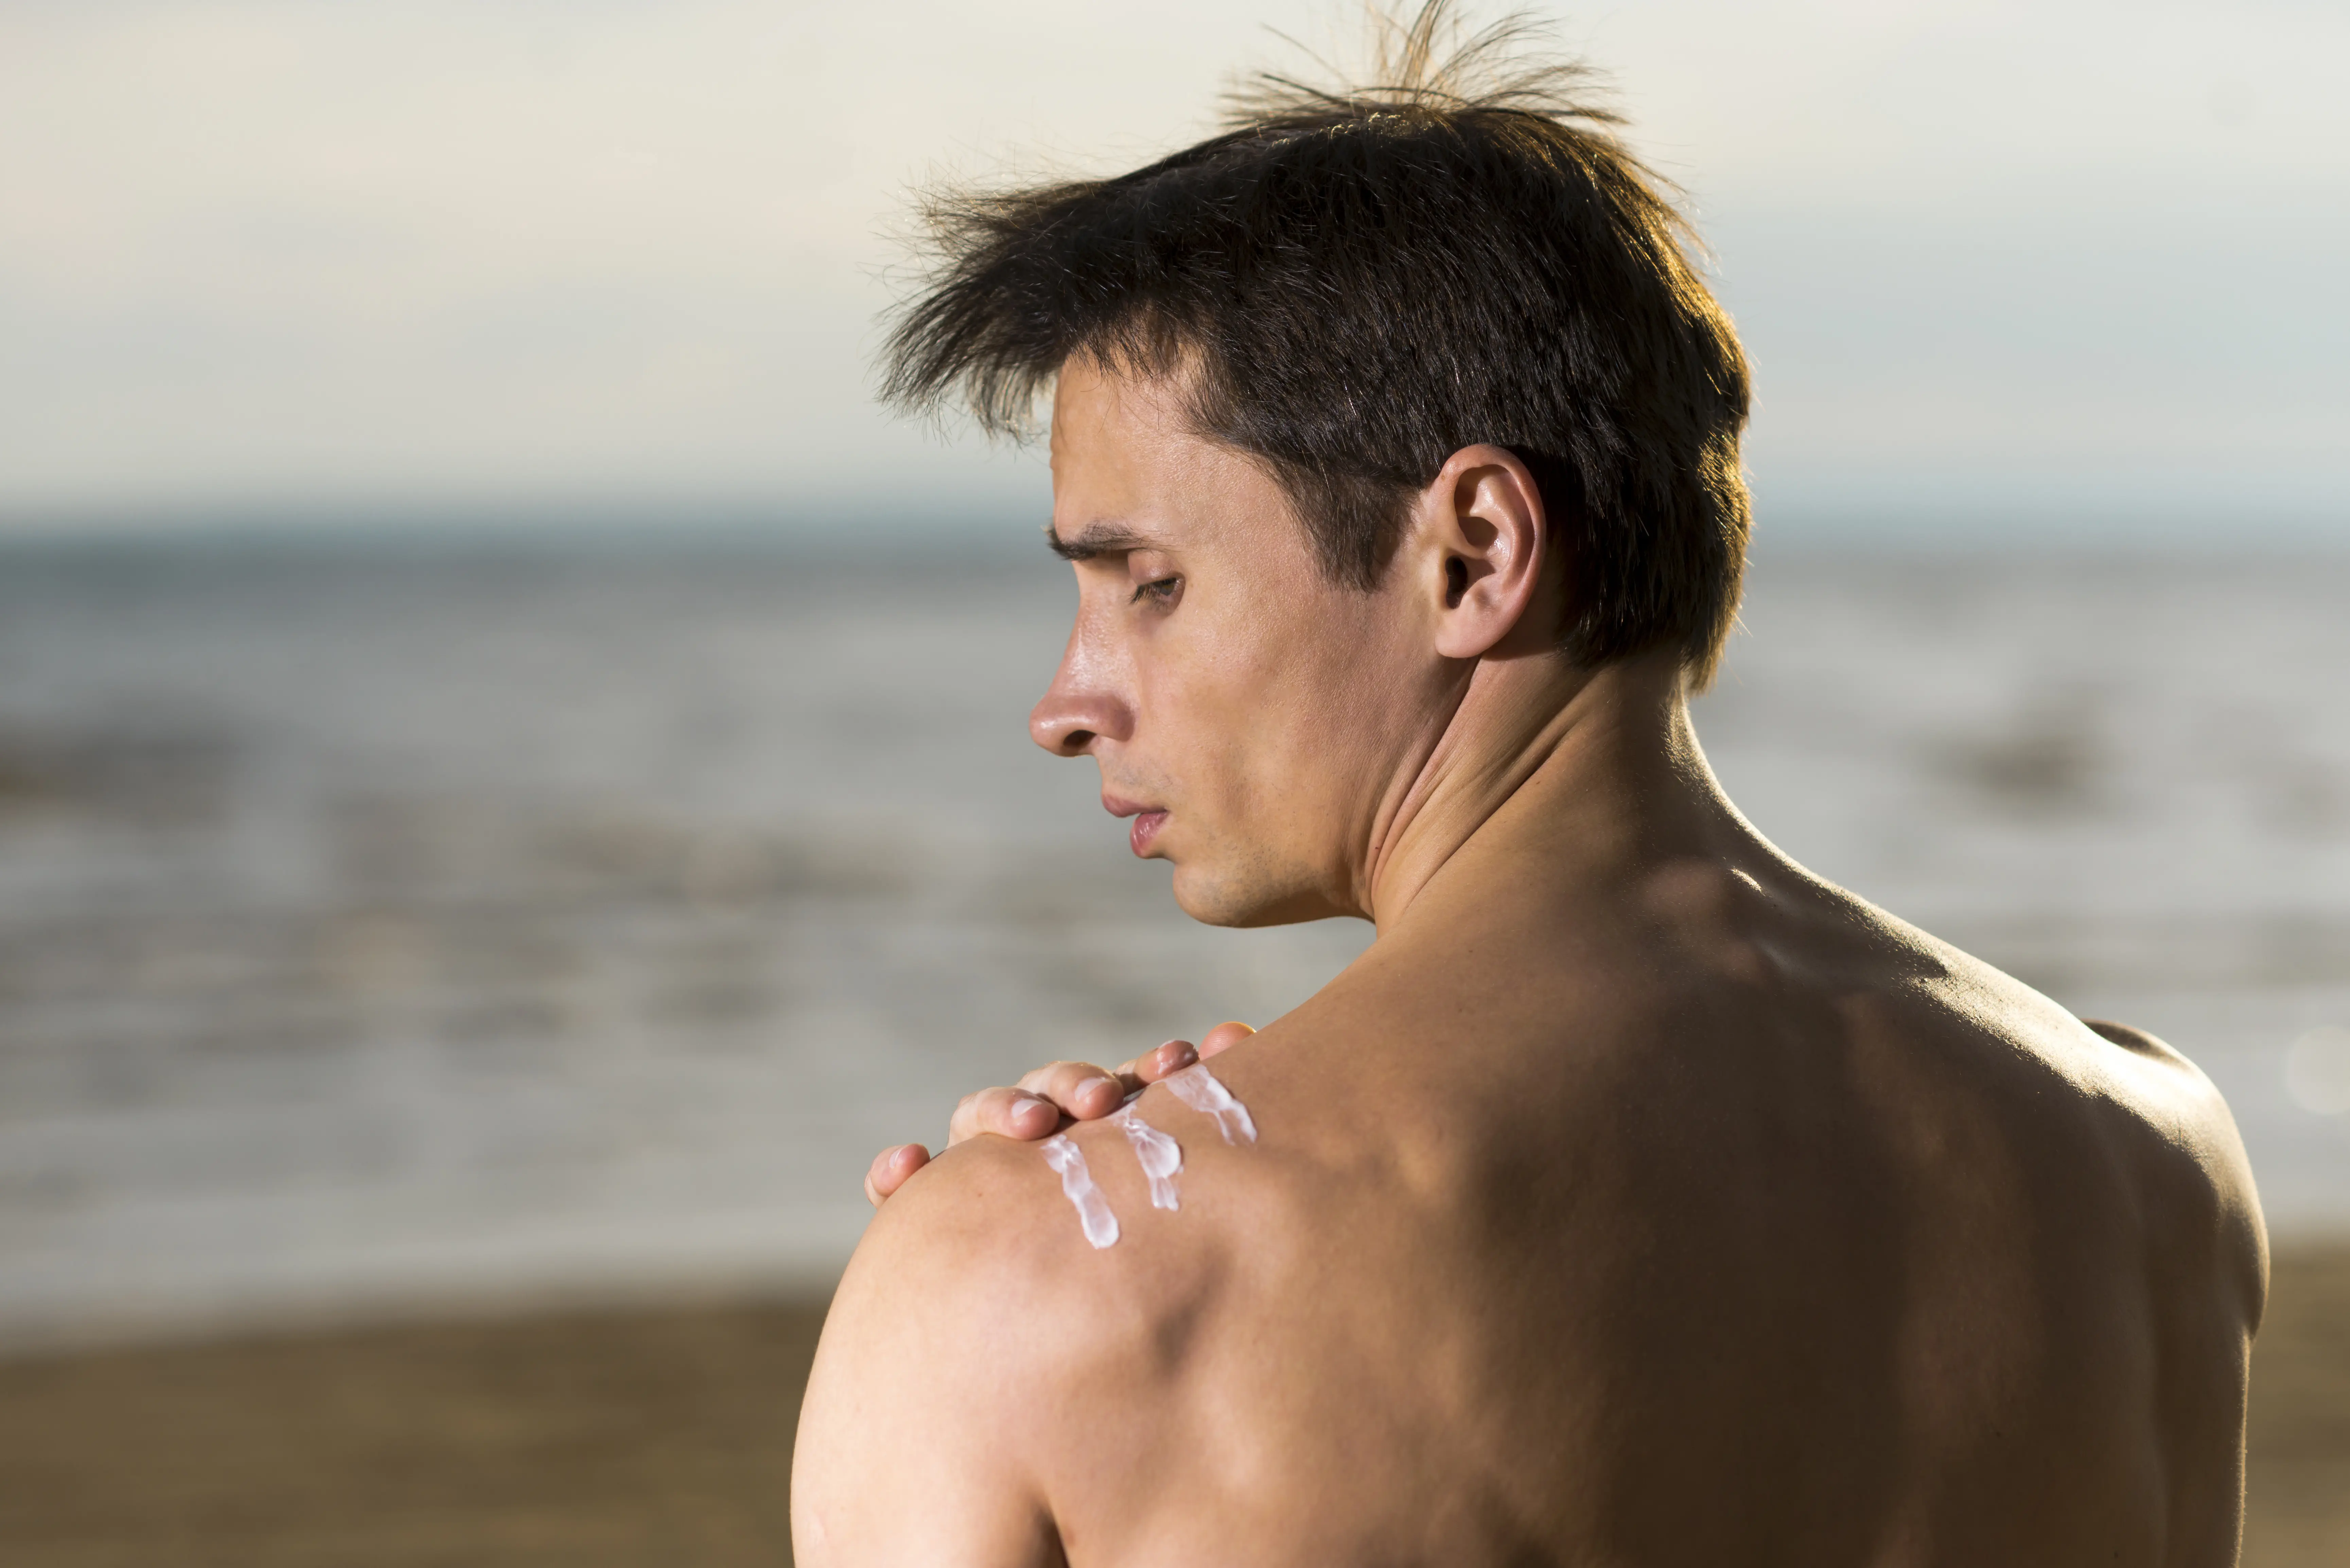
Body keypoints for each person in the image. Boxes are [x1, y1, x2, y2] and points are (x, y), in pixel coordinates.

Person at [791, 7, 2267, 1563]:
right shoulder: (2148, 1156)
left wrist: (1013, 1254)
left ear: (1475, 551)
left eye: (1146, 582)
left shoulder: (1046, 1287)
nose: (1063, 703)